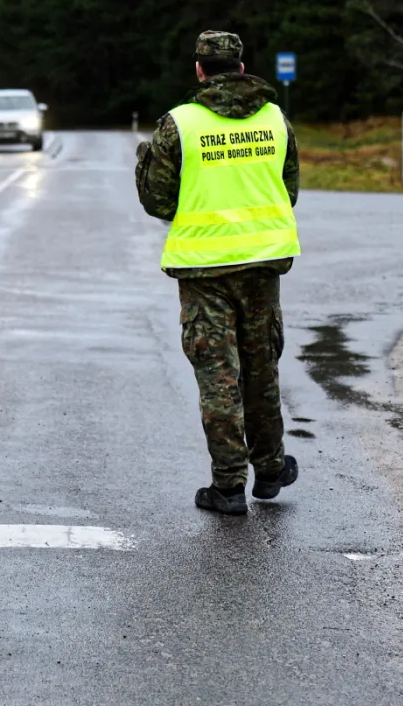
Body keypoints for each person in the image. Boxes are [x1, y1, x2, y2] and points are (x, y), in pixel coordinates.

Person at [135, 30, 301, 515]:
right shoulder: (276, 119)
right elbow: (288, 191)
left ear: (200, 70)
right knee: (260, 367)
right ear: (242, 68)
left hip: (204, 267)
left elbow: (158, 201)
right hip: (263, 263)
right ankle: (270, 469)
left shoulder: (179, 125)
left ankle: (228, 485)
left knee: (218, 373)